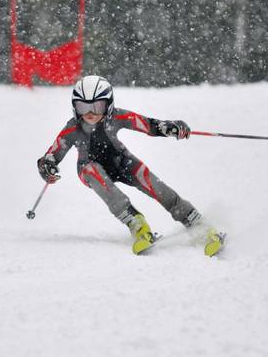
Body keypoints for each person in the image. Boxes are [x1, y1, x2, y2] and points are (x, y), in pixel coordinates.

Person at [37, 75, 225, 256]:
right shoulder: (73, 128)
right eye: (82, 107)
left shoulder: (117, 117)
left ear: (109, 105)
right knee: (95, 174)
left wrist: (170, 127)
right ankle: (137, 224)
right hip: (89, 168)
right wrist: (47, 166)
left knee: (155, 186)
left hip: (121, 162)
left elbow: (148, 125)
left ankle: (197, 223)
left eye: (97, 106)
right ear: (74, 107)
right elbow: (52, 154)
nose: (90, 113)